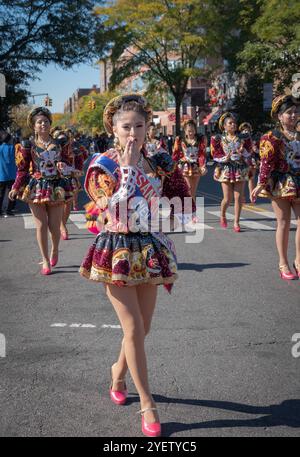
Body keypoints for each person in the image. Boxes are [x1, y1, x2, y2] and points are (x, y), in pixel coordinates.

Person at [79, 93, 193, 437]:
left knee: (142, 328)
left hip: (148, 247)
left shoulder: (159, 159)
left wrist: (176, 208)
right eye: (126, 126)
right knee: (131, 328)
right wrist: (127, 171)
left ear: (148, 127)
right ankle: (147, 403)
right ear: (113, 129)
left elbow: (181, 201)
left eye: (139, 126)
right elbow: (109, 210)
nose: (133, 133)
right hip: (116, 249)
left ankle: (117, 371)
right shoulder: (104, 164)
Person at [8, 107, 76, 274]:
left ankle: (54, 249)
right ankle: (45, 260)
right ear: (34, 126)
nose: (43, 124)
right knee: (41, 226)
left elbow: (68, 162)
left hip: (57, 186)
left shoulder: (60, 143)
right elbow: (22, 169)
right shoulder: (27, 145)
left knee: (54, 226)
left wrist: (65, 167)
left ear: (50, 124)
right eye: (39, 122)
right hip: (37, 187)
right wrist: (16, 187)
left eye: (46, 121)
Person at [251, 95, 300, 280]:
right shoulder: (271, 137)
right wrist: (261, 183)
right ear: (279, 116)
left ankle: (299, 260)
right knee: (284, 223)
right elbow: (266, 163)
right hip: (280, 182)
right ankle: (283, 262)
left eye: (296, 112)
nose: (294, 115)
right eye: (289, 113)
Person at [211, 112, 252, 232]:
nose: (233, 125)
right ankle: (223, 214)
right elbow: (215, 154)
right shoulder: (219, 139)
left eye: (234, 123)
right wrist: (225, 158)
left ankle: (236, 222)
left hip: (240, 168)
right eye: (230, 123)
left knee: (238, 197)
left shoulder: (243, 138)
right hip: (226, 168)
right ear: (224, 126)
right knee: (227, 198)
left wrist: (242, 151)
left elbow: (249, 152)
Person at [172, 119, 207, 202]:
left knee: (192, 192)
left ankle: (192, 213)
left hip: (196, 166)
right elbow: (175, 154)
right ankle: (188, 212)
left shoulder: (200, 140)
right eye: (189, 131)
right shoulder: (180, 140)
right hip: (185, 166)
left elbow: (202, 154)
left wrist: (202, 165)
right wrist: (173, 166)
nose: (191, 133)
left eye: (193, 131)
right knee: (188, 190)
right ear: (185, 131)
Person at [239, 122, 259, 202]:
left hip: (252, 160)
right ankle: (241, 197)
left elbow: (258, 151)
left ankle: (252, 196)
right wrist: (241, 147)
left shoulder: (253, 139)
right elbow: (238, 150)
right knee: (243, 179)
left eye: (247, 129)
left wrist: (256, 149)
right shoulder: (239, 139)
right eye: (244, 129)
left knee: (251, 178)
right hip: (243, 160)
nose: (245, 131)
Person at [0, 132, 17, 217]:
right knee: (12, 192)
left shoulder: (0, 148)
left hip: (1, 174)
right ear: (9, 139)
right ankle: (9, 210)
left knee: (1, 193)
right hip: (12, 174)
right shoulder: (13, 148)